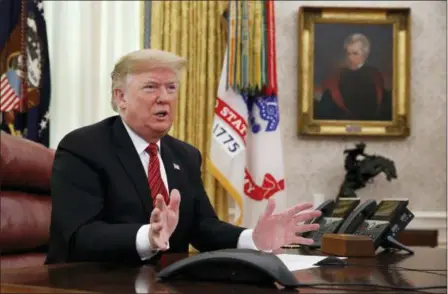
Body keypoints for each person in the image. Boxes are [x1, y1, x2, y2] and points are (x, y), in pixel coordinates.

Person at [45, 49, 321, 265]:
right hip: (90, 283)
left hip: (162, 284)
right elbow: (79, 236)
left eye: (172, 88)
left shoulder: (184, 155)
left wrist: (252, 238)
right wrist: (147, 237)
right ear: (121, 98)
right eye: (151, 87)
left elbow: (203, 228)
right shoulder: (83, 147)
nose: (164, 98)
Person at [314, 33, 392, 121]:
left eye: (355, 54)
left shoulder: (375, 76)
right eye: (348, 53)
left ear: (365, 55)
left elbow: (382, 108)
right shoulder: (337, 77)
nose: (350, 58)